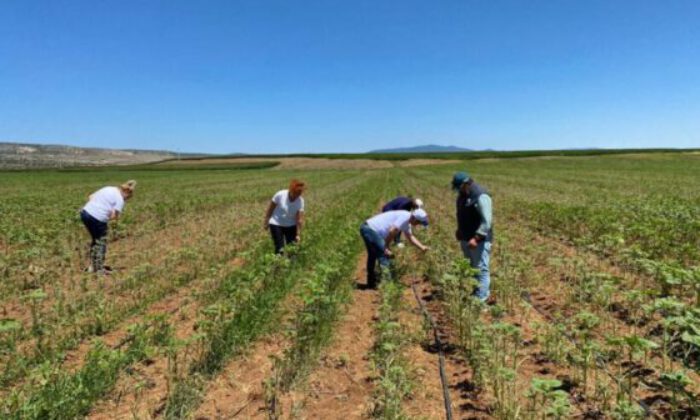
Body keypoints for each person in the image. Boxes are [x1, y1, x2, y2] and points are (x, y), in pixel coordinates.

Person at [359, 209, 429, 289]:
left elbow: (410, 237)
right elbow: (393, 230)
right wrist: (386, 246)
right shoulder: (405, 217)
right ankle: (388, 286)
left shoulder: (407, 221)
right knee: (384, 255)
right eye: (418, 222)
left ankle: (371, 283)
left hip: (367, 228)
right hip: (370, 230)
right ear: (414, 218)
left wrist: (422, 247)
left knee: (373, 255)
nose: (418, 225)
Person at [452, 171, 493, 303]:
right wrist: (459, 230)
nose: (458, 191)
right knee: (472, 268)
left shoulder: (481, 196)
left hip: (478, 241)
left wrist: (477, 238)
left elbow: (487, 221)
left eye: (459, 187)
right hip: (465, 238)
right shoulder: (462, 195)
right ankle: (477, 291)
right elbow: (462, 214)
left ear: (466, 184)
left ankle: (481, 299)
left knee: (481, 269)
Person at [80, 180, 137, 274]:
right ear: (127, 193)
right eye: (127, 198)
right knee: (101, 242)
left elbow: (90, 197)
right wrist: (114, 228)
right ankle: (99, 269)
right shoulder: (120, 199)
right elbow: (114, 217)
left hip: (85, 213)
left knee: (95, 240)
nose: (126, 200)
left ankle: (92, 267)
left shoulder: (109, 188)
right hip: (98, 219)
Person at [265, 179, 305, 254]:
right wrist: (266, 222)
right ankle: (277, 265)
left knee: (292, 248)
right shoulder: (280, 195)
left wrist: (298, 234)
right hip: (276, 223)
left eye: (299, 194)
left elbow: (299, 219)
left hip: (291, 225)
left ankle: (292, 265)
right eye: (295, 193)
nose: (297, 196)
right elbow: (270, 209)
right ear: (291, 190)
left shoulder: (300, 201)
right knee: (280, 248)